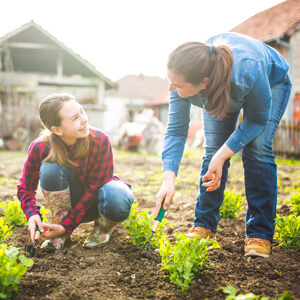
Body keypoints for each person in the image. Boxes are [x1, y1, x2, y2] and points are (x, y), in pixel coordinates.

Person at [154, 32, 292, 258]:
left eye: (176, 84)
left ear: (203, 83)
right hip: (220, 85)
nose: (171, 88)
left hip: (271, 81)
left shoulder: (247, 70)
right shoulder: (183, 79)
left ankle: (259, 233)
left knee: (257, 149)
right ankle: (204, 225)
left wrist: (223, 156)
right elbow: (176, 131)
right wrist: (168, 180)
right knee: (213, 148)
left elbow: (257, 120)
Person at [18, 93, 134, 250]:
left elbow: (93, 190)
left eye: (82, 111)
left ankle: (102, 230)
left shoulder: (100, 141)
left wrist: (67, 226)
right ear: (57, 130)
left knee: (119, 196)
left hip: (97, 203)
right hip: (66, 206)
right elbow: (26, 187)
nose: (84, 119)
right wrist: (32, 214)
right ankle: (59, 231)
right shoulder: (40, 148)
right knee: (51, 167)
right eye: (75, 118)